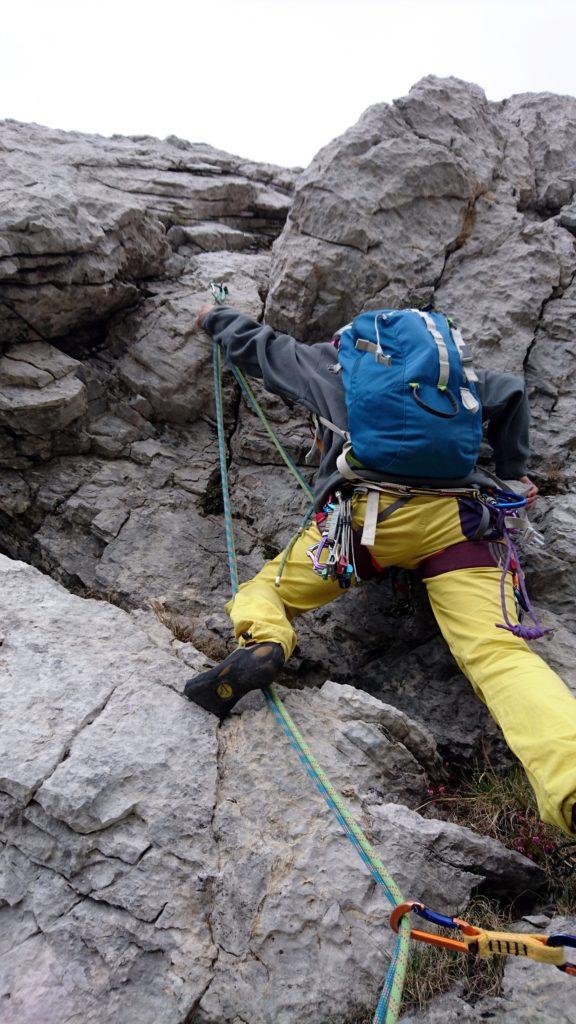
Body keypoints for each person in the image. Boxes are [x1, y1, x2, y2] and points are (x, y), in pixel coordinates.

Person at [185, 303, 576, 836]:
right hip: (455, 525)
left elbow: (260, 347)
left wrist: (215, 315)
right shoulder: (453, 378)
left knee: (266, 589)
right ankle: (570, 782)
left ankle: (268, 639)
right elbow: (510, 392)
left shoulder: (331, 367)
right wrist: (511, 474)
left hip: (365, 526)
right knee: (499, 655)